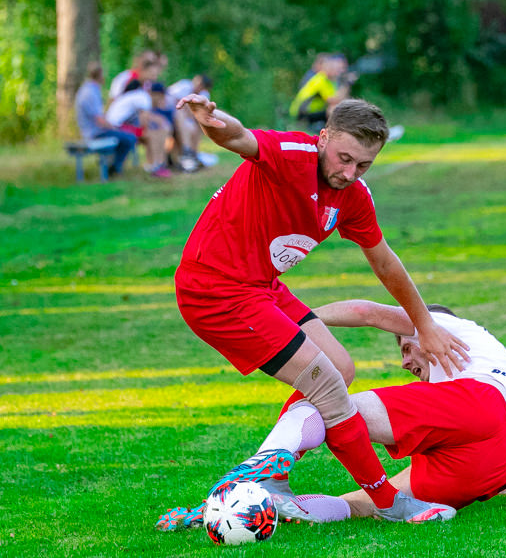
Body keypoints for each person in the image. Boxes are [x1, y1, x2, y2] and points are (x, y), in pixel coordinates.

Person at [168, 93, 470, 524]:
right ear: (323, 137)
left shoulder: (354, 196)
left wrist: (425, 325)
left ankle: (260, 480)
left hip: (261, 286)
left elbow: (385, 262)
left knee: (341, 367)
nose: (348, 173)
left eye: (363, 165)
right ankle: (387, 501)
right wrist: (211, 118)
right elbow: (238, 137)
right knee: (328, 384)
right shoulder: (292, 154)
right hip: (215, 290)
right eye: (343, 158)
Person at [156, 301, 506, 528]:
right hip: (496, 466)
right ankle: (246, 510)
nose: (406, 360)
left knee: (330, 399)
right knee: (365, 505)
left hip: (481, 406)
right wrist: (500, 491)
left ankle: (262, 473)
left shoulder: (449, 327)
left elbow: (367, 313)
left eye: (407, 346)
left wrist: (300, 319)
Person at [73, 61, 137, 177]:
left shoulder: (90, 89)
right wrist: (114, 128)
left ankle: (112, 165)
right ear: (99, 75)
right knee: (129, 138)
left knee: (125, 135)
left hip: (95, 130)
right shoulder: (90, 92)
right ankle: (114, 169)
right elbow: (99, 120)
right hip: (94, 133)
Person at [105, 80, 172, 178]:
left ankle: (156, 165)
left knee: (155, 133)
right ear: (155, 94)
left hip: (115, 126)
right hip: (116, 128)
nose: (162, 99)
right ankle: (157, 167)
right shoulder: (145, 98)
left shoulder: (139, 95)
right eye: (161, 96)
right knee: (153, 135)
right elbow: (143, 123)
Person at [289, 54, 357, 133]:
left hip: (312, 112)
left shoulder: (330, 81)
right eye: (334, 68)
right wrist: (347, 83)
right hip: (302, 114)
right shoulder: (320, 79)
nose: (338, 71)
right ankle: (334, 134)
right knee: (333, 109)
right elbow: (334, 100)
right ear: (326, 68)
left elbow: (341, 99)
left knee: (340, 108)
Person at [166, 74, 214, 171]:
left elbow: (201, 112)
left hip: (186, 119)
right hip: (169, 113)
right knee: (181, 114)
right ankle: (186, 151)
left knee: (198, 124)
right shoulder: (185, 85)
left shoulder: (203, 94)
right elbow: (177, 104)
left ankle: (192, 154)